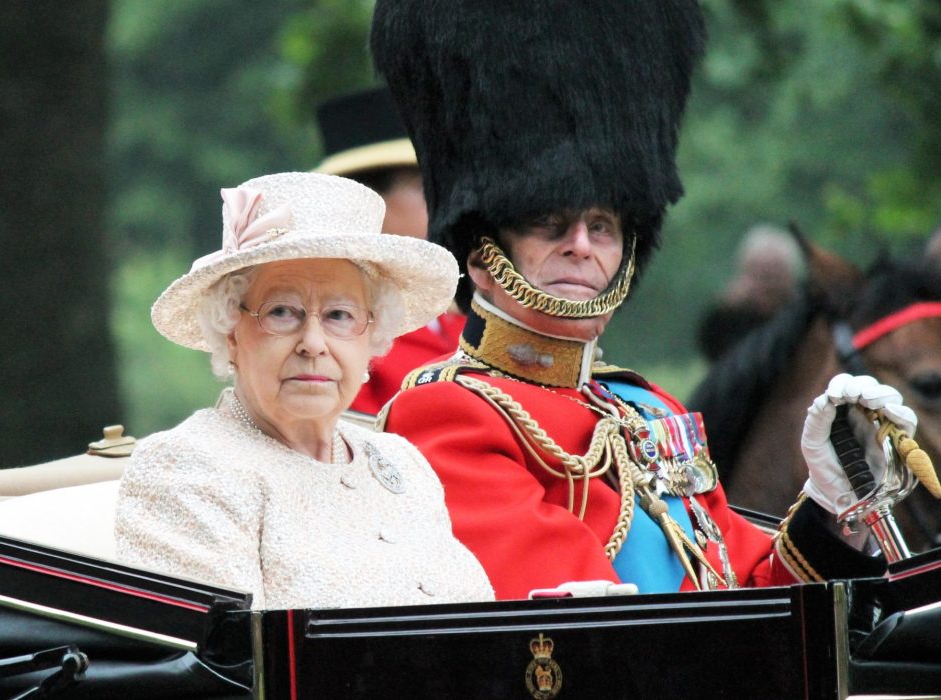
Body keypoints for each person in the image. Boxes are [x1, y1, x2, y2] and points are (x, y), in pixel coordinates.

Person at [372, 0, 920, 598]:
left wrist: (831, 507)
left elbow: (756, 589)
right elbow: (592, 632)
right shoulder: (448, 410)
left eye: (602, 226)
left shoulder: (650, 408)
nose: (582, 245)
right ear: (481, 257)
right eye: (549, 222)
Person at [115, 172, 493, 609]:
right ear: (231, 331)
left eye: (339, 315)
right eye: (281, 311)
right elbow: (224, 669)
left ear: (372, 336)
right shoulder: (186, 469)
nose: (313, 343)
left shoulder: (403, 465)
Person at [314, 87, 463, 414]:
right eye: (424, 188)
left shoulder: (461, 314)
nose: (445, 202)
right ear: (368, 199)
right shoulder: (335, 327)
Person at [697, 224, 803, 361]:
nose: (766, 284)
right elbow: (711, 350)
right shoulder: (731, 317)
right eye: (759, 273)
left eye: (774, 274)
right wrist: (727, 309)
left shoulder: (802, 315)